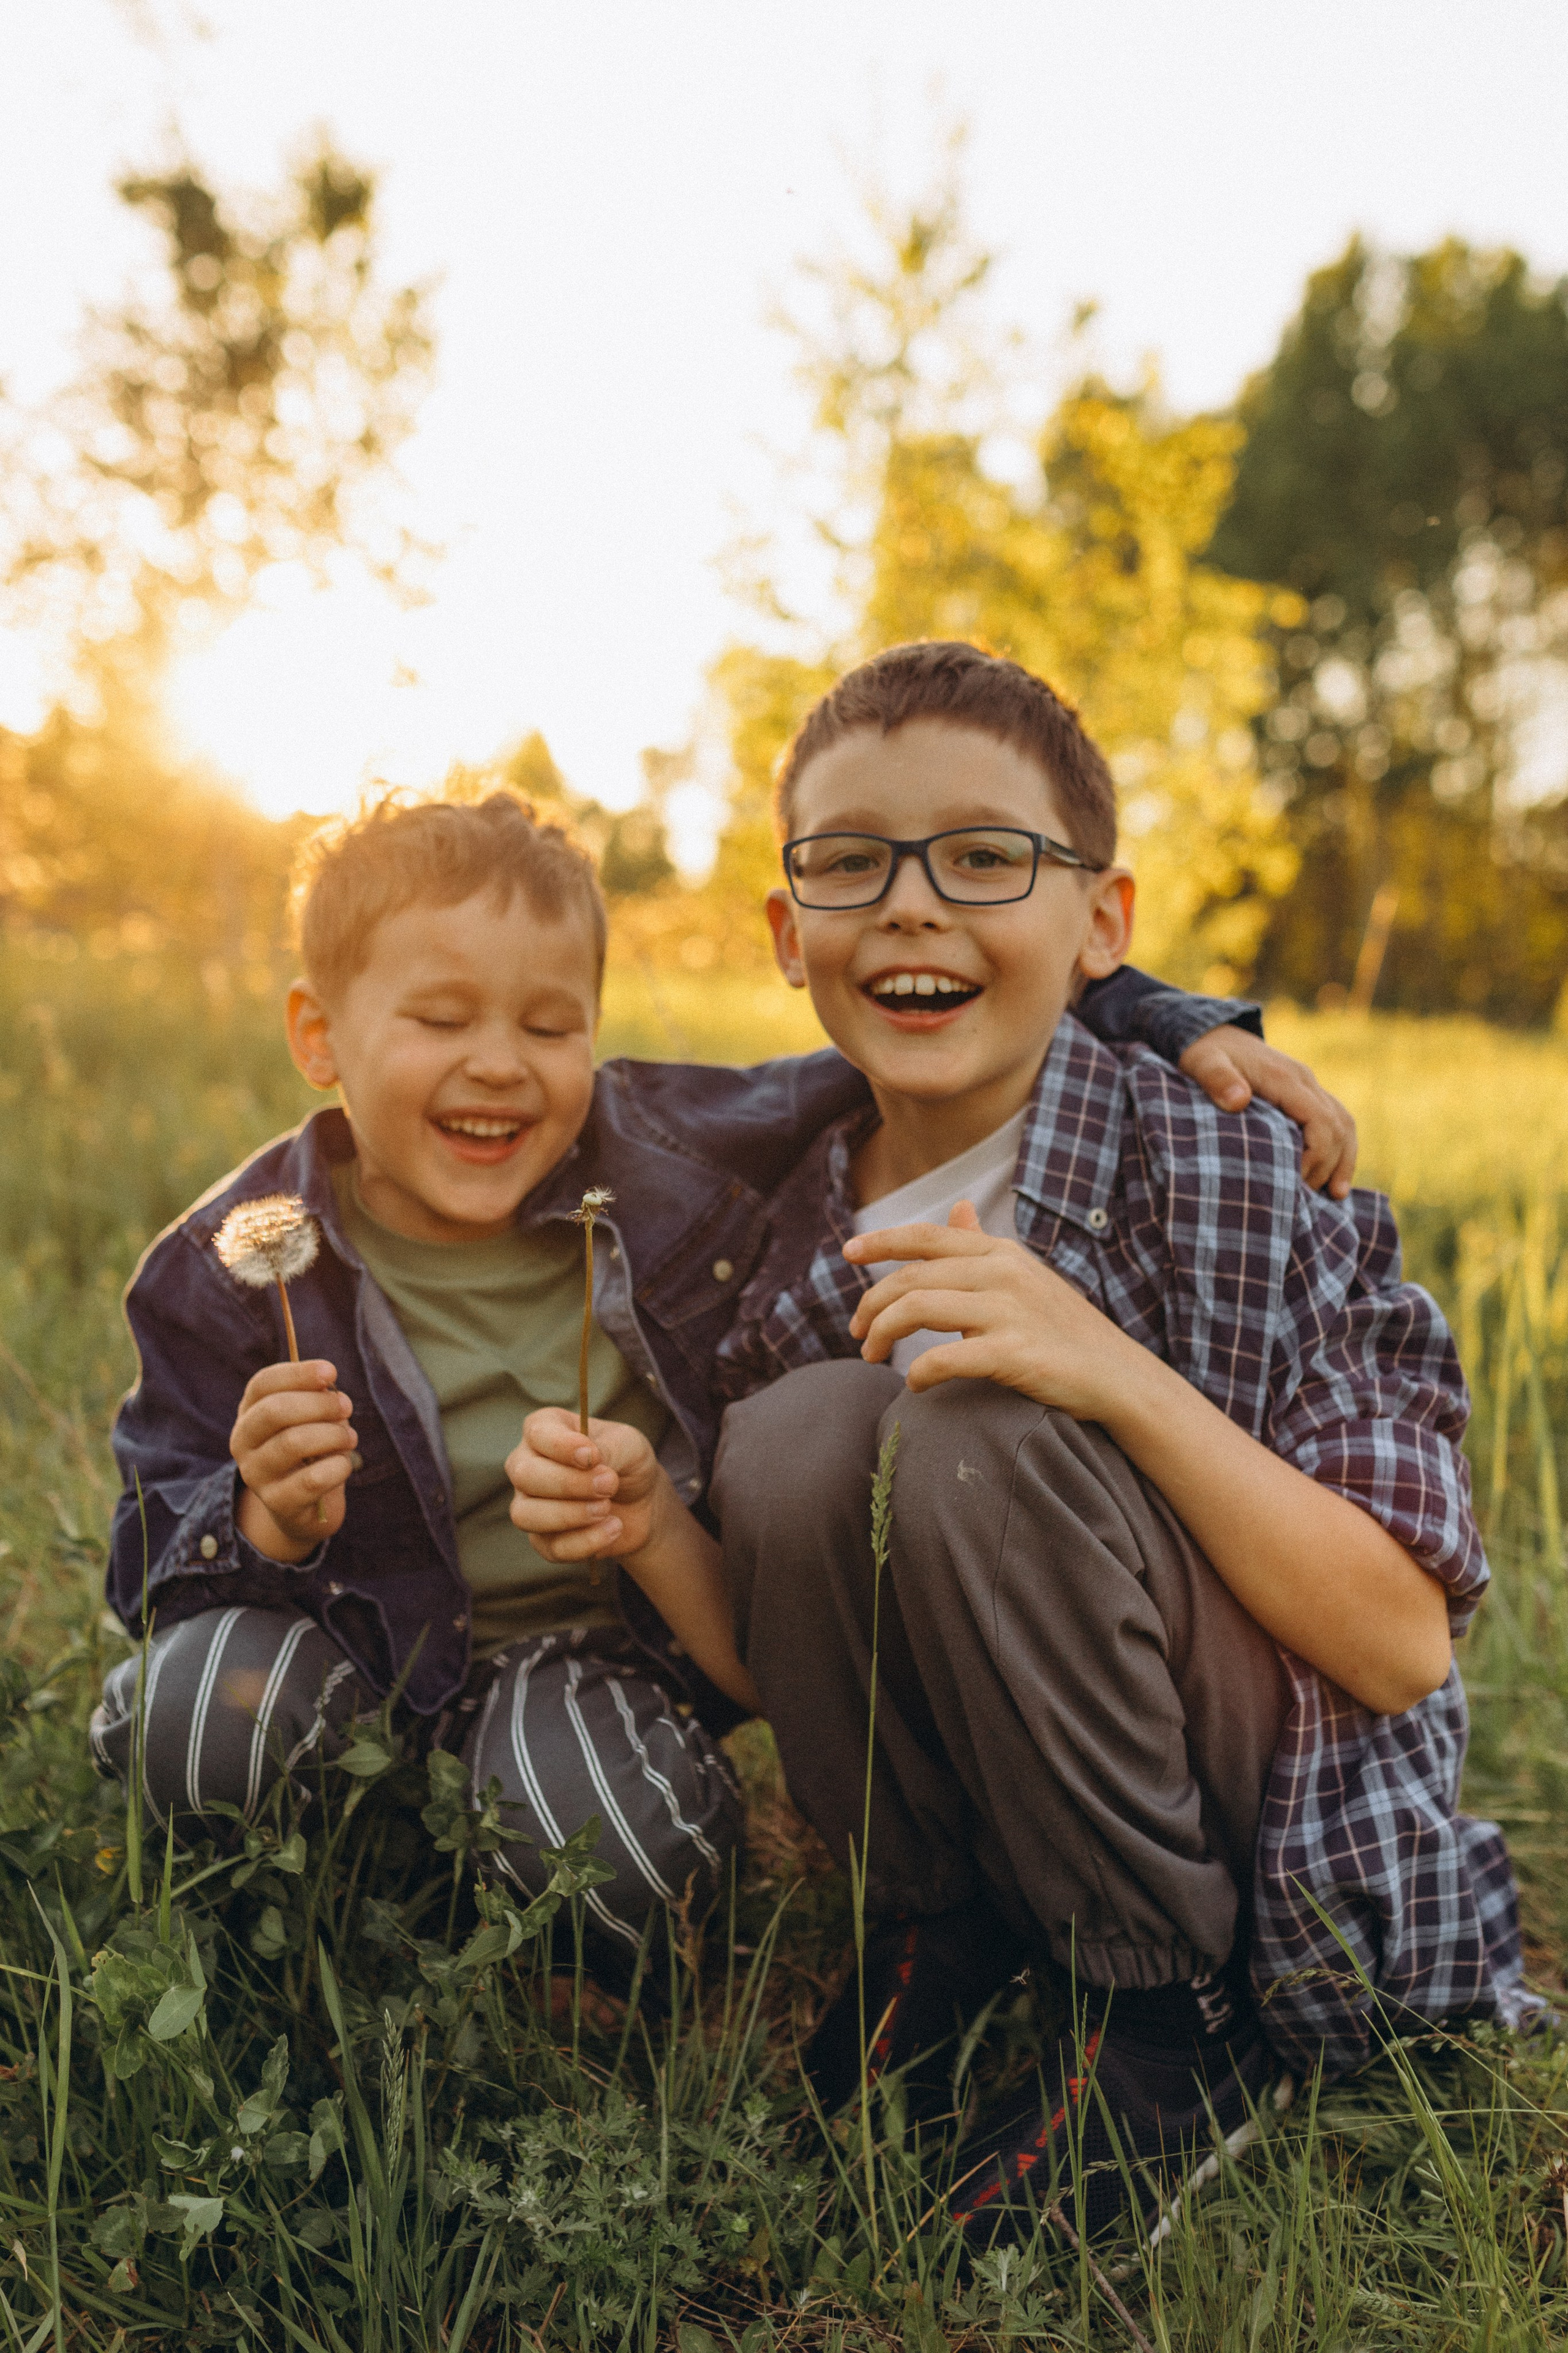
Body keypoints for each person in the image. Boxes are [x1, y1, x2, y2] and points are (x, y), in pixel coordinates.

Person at [510, 641, 1533, 2235]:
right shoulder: (779, 1239)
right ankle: (934, 1928)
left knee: (978, 1413)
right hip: (986, 1786)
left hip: (1255, 1818)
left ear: (1101, 925)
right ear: (793, 936)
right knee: (798, 1434)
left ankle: (1157, 2017)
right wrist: (649, 1512)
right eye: (854, 864)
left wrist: (1111, 1372)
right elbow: (769, 1656)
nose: (913, 906)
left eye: (986, 859)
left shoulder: (1235, 1173)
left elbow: (1403, 1644)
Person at [97, 781, 1344, 1987]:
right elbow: (144, 1559)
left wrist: (1156, 1011)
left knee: (614, 1856)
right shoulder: (227, 1263)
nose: (499, 1065)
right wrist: (262, 1518)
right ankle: (308, 1915)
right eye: (439, 1020)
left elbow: (912, 1034)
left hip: (586, 1659)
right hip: (344, 1650)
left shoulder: (658, 1142)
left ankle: (535, 1893)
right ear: (320, 1035)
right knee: (200, 1708)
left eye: (547, 1026)